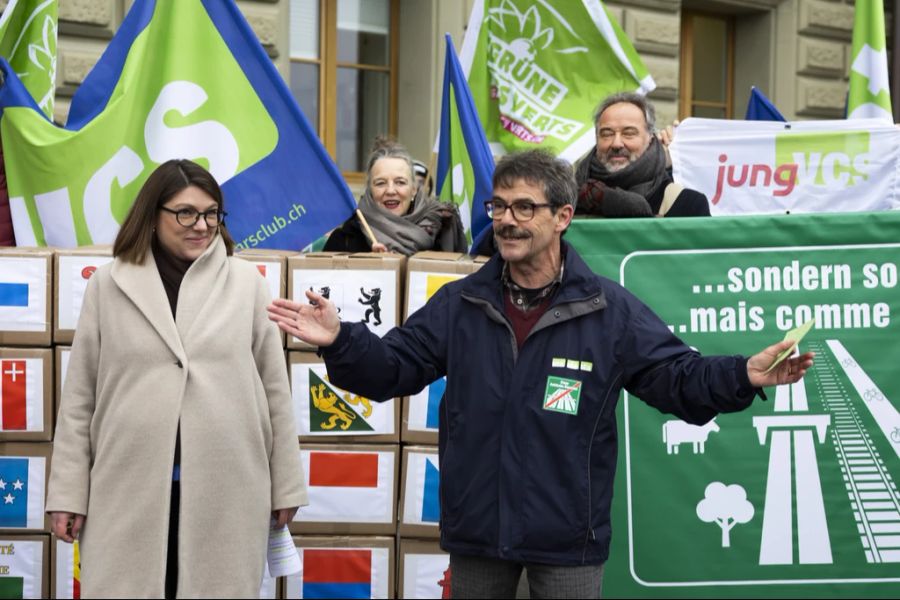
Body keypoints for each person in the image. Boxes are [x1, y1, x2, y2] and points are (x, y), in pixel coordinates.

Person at [268, 150, 814, 599]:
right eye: (499, 206)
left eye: (525, 208)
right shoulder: (462, 303)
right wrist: (343, 339)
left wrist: (743, 374)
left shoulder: (609, 309)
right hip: (478, 532)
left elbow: (677, 378)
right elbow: (393, 368)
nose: (507, 220)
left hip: (567, 539)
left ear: (562, 217)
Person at [46, 159, 307, 598]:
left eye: (210, 213)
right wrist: (68, 494)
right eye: (185, 212)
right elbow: (79, 400)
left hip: (229, 490)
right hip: (126, 489)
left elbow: (275, 393)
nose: (200, 225)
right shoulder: (108, 286)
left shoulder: (247, 284)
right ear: (153, 215)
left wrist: (286, 484)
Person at [575, 92, 710, 217]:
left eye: (629, 133)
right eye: (607, 134)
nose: (616, 144)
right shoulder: (567, 198)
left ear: (650, 138)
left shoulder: (688, 204)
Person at [324, 137, 466, 254]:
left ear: (414, 190)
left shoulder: (442, 230)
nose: (391, 190)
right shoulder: (345, 239)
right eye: (380, 183)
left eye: (400, 182)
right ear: (369, 190)